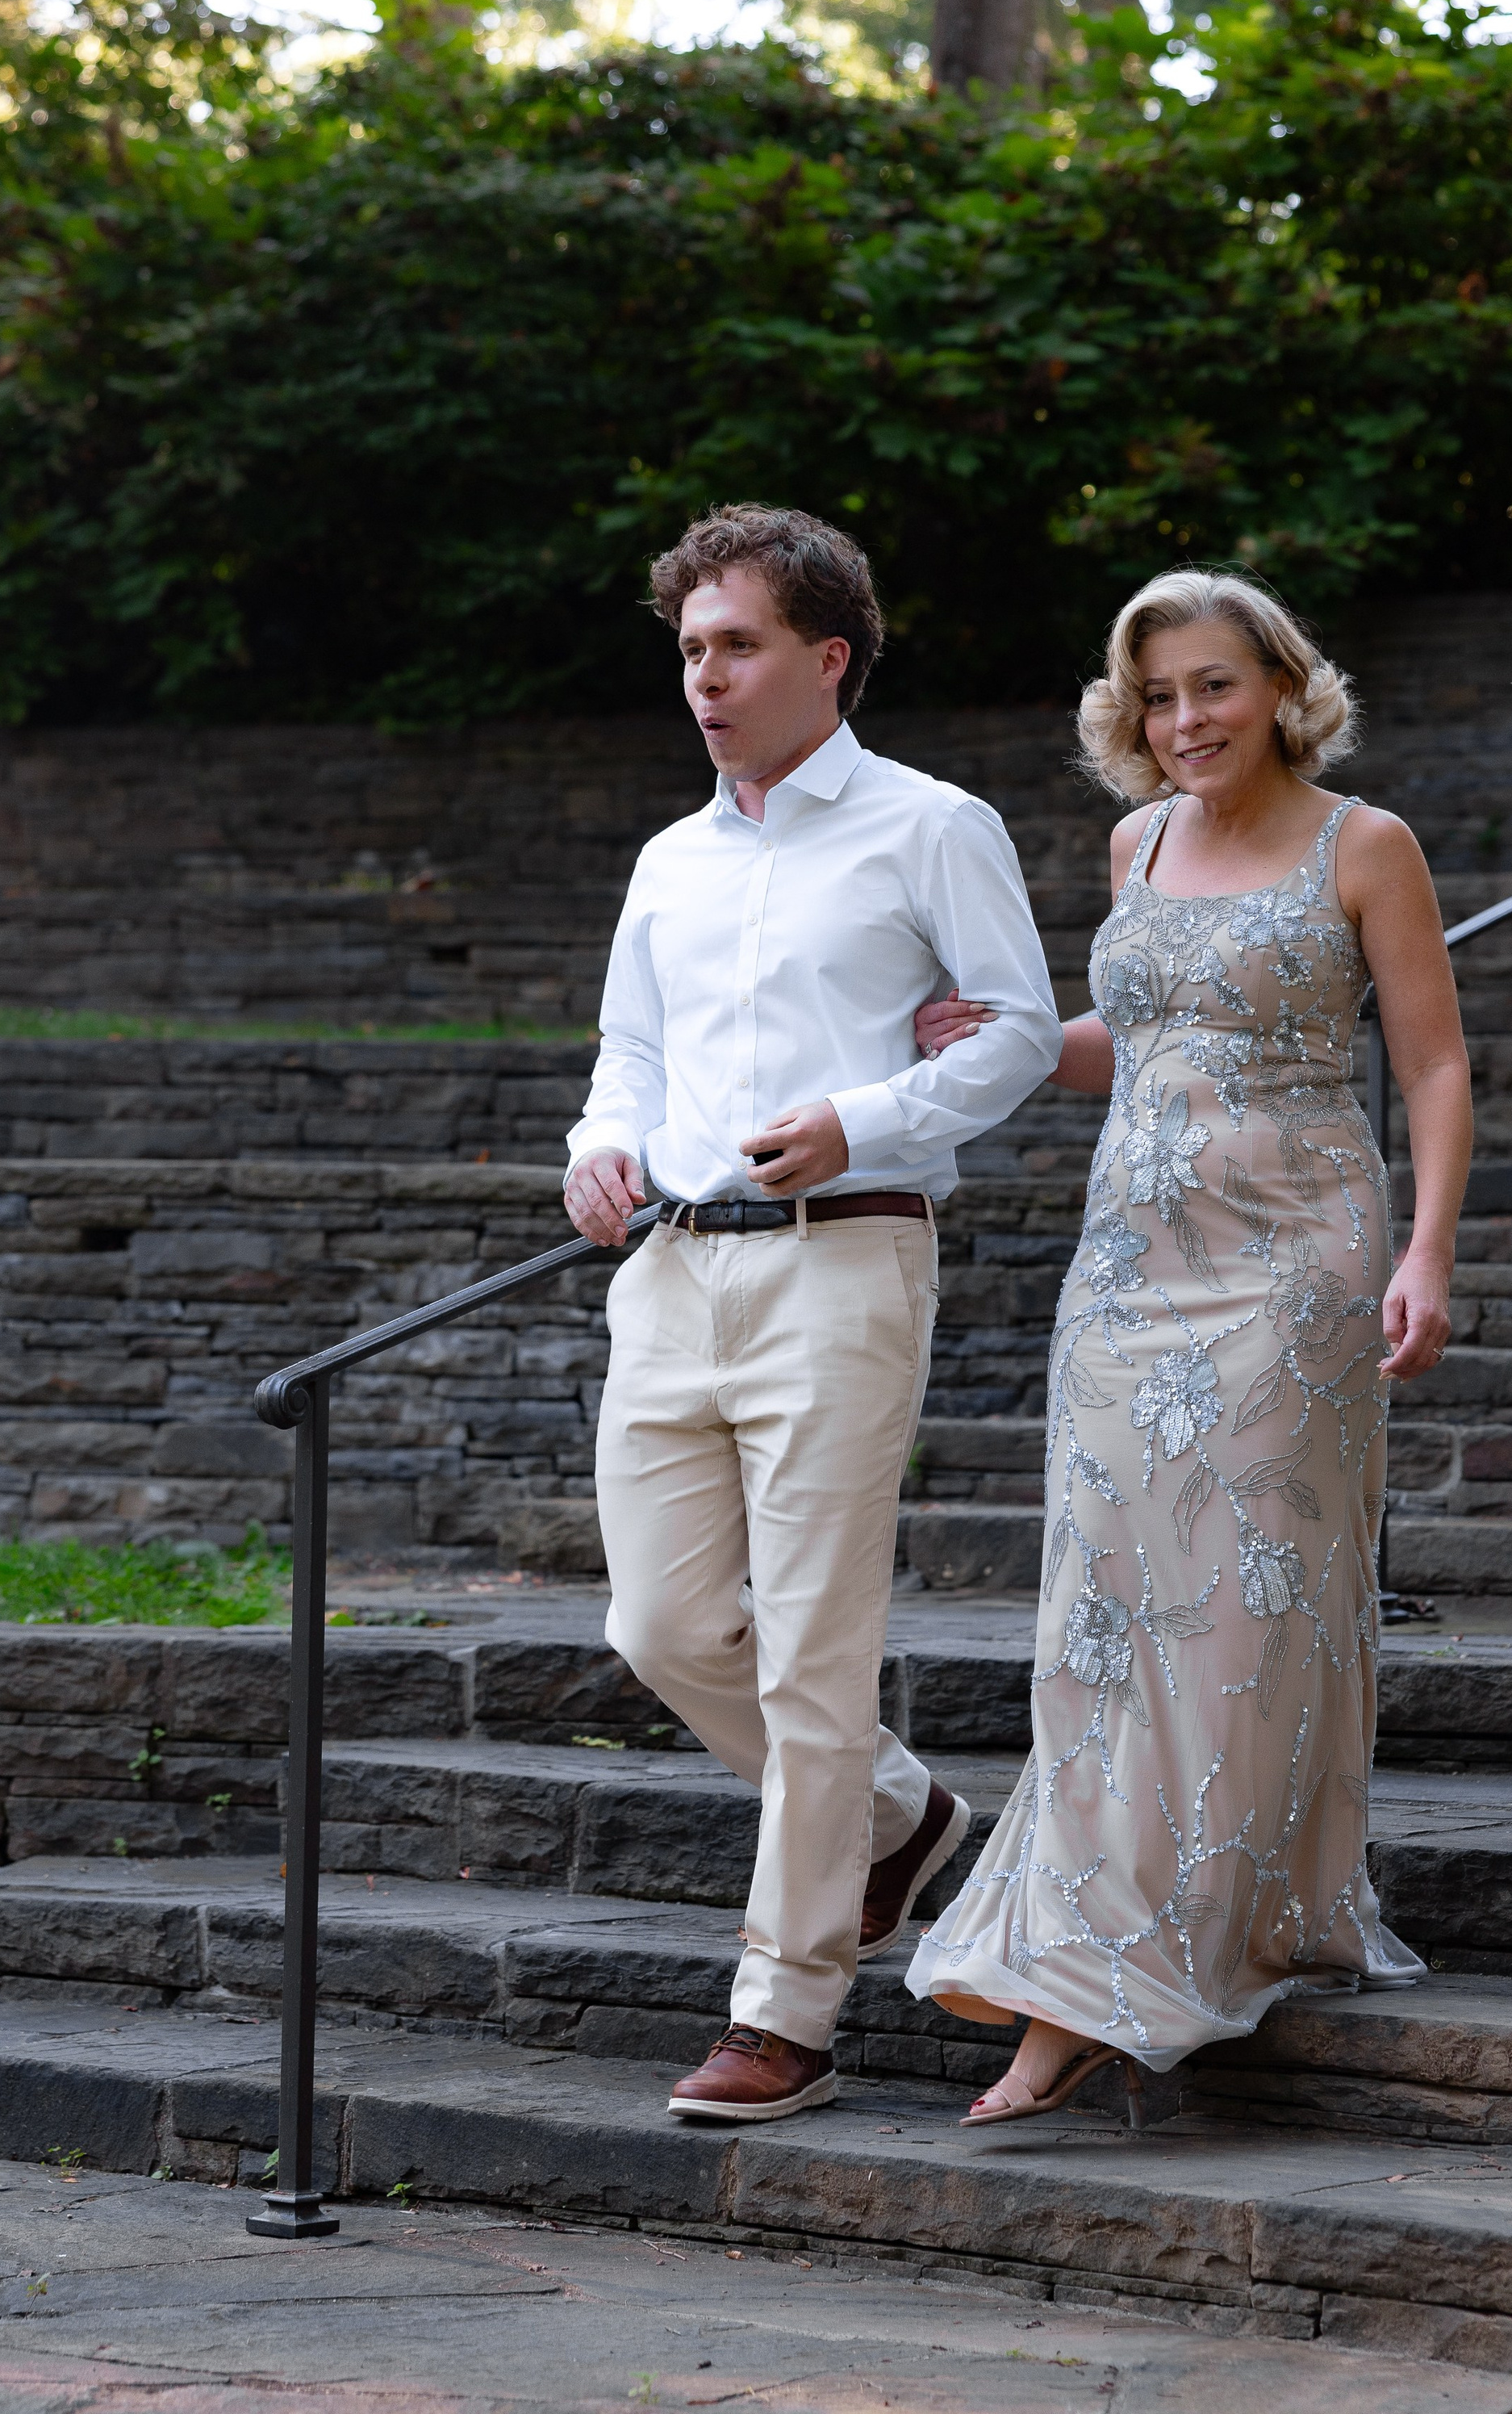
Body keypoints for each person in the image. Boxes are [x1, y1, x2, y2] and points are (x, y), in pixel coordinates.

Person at [903, 569, 1470, 2125]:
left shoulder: (1367, 844)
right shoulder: (1137, 844)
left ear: (1282, 686)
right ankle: (1093, 1955)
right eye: (1157, 696)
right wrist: (1014, 1039)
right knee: (1103, 1607)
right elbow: (1141, 1043)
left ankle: (1187, 1939)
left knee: (1241, 1609)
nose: (1185, 719)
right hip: (1129, 1269)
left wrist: (1425, 1253)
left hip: (1297, 1266)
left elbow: (1430, 1064)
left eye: (1214, 684)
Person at [564, 504, 1063, 2125]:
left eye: (738, 645)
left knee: (812, 1656)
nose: (704, 677)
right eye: (690, 649)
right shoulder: (669, 858)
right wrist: (597, 1144)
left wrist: (867, 1119)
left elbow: (1017, 1030)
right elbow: (630, 1053)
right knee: (656, 1625)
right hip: (669, 1271)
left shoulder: (933, 826)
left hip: (844, 1260)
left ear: (827, 656)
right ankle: (900, 1817)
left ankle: (783, 2013)